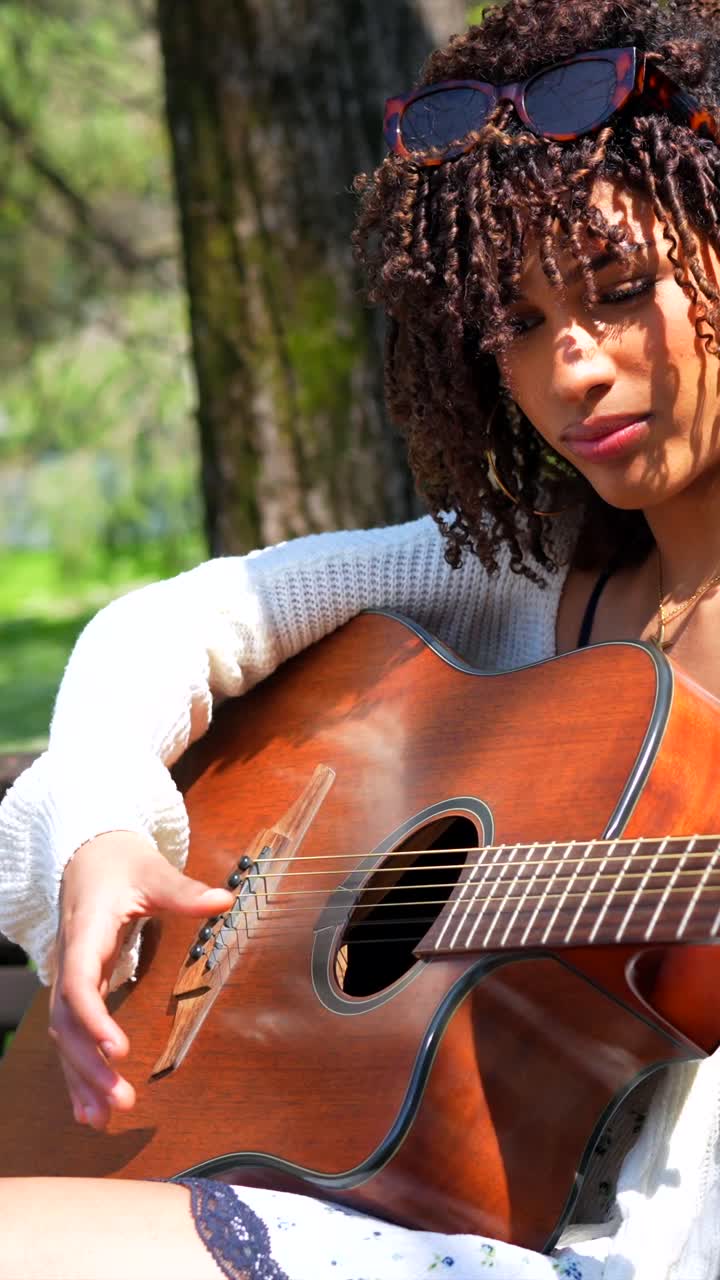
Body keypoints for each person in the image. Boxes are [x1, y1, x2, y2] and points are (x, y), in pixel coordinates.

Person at [2, 0, 720, 1275]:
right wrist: (105, 824)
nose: (576, 370)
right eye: (520, 322)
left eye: (618, 292)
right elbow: (178, 620)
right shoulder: (530, 569)